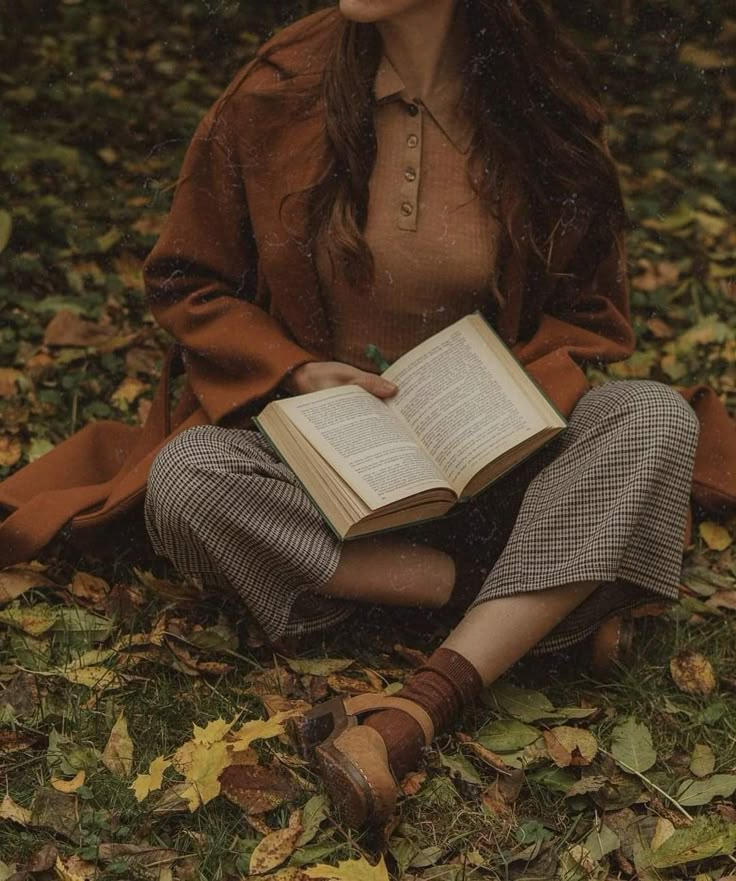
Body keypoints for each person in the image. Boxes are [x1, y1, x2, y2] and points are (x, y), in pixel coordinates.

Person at [141, 0, 700, 828]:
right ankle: (520, 605)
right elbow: (187, 278)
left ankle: (412, 712)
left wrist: (509, 397)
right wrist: (293, 370)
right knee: (184, 479)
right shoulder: (277, 88)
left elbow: (590, 312)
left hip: (501, 468)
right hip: (335, 471)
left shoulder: (540, 99)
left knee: (654, 418)